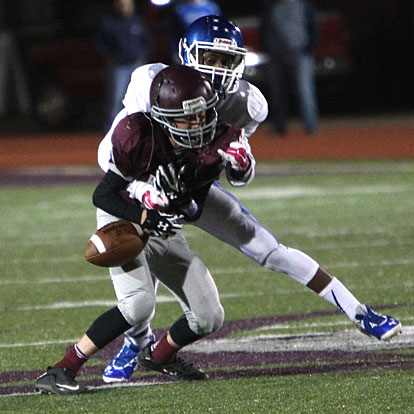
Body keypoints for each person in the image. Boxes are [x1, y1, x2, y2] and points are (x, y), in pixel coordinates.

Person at [98, 15, 402, 384]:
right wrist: (145, 193)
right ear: (188, 53)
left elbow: (234, 175)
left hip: (193, 188)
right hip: (144, 184)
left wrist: (242, 165)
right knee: (148, 260)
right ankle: (135, 342)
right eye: (210, 58)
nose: (219, 69)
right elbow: (111, 153)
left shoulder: (246, 103)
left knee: (268, 248)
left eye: (227, 61)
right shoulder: (152, 82)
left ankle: (359, 311)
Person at [35, 65, 255, 395]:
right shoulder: (137, 134)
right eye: (187, 118)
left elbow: (194, 203)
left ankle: (160, 356)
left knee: (209, 316)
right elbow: (104, 194)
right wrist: (145, 212)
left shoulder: (214, 143)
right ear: (164, 116)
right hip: (123, 218)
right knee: (138, 304)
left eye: (202, 116)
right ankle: (62, 370)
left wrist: (180, 202)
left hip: (162, 226)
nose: (197, 125)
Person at [262, 0, 320, 135]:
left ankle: (311, 125)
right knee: (278, 92)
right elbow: (265, 29)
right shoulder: (272, 8)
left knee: (304, 91)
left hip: (300, 55)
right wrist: (268, 50)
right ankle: (279, 126)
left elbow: (314, 27)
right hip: (277, 56)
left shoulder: (304, 6)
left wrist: (308, 48)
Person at [95, 0, 152, 131]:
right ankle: (111, 132)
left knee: (138, 98)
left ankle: (135, 131)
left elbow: (147, 42)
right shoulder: (109, 23)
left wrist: (142, 56)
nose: (125, 7)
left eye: (127, 4)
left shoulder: (137, 22)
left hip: (135, 65)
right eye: (122, 4)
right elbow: (99, 45)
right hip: (118, 67)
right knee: (116, 100)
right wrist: (109, 58)